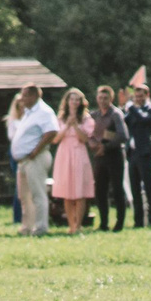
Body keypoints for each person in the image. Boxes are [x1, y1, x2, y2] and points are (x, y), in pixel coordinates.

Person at [7, 86, 58, 237]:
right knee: (24, 196)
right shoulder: (28, 113)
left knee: (37, 193)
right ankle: (27, 226)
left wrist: (35, 150)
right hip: (23, 160)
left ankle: (41, 227)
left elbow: (52, 131)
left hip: (35, 158)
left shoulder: (44, 112)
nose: (22, 99)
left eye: (25, 96)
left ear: (34, 96)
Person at [50, 88, 96, 233]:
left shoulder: (86, 119)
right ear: (67, 101)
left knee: (79, 191)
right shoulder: (60, 118)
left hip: (79, 153)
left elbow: (85, 139)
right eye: (72, 99)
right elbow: (55, 139)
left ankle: (78, 224)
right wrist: (67, 125)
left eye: (77, 100)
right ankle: (71, 225)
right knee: (67, 191)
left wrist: (75, 125)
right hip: (64, 153)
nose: (75, 102)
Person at [122, 80, 151, 229]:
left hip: (144, 153)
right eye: (136, 96)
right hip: (132, 153)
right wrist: (125, 109)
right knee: (134, 188)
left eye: (141, 96)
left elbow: (144, 120)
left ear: (147, 95)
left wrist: (132, 107)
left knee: (148, 186)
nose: (138, 99)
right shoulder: (133, 110)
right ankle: (138, 221)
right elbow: (126, 122)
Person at [92, 85, 129, 233]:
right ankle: (103, 223)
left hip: (114, 155)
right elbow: (89, 134)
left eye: (105, 98)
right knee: (100, 190)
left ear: (111, 99)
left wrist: (105, 147)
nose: (102, 100)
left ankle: (119, 223)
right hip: (99, 157)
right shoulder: (94, 115)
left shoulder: (116, 114)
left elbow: (123, 136)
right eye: (100, 98)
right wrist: (94, 146)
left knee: (117, 189)